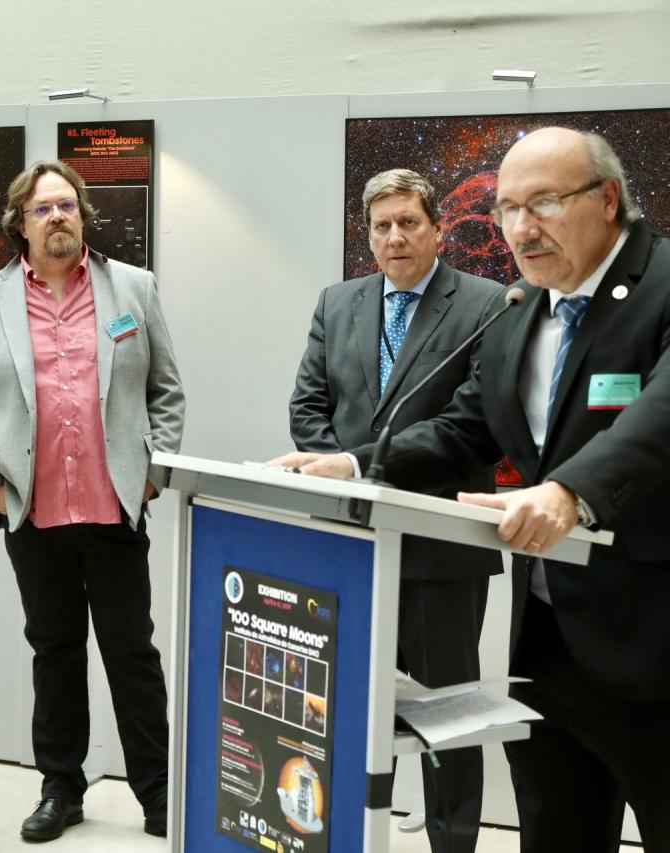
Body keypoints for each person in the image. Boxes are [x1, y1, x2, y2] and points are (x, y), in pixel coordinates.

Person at [272, 127, 670, 851]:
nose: (522, 227)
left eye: (543, 202)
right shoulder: (525, 312)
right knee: (557, 829)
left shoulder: (663, 286)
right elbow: (465, 431)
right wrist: (358, 464)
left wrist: (569, 493)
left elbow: (660, 415)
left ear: (608, 200)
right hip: (551, 640)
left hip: (655, 634)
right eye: (507, 209)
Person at [0, 160, 184, 842]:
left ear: (83, 215)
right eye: (43, 209)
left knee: (132, 652)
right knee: (55, 650)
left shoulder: (131, 287)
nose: (59, 218)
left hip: (115, 509)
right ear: (20, 223)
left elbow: (166, 389)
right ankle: (61, 788)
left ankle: (160, 794)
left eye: (68, 206)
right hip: (32, 512)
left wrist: (151, 473)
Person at [288, 168, 502, 853]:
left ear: (438, 227)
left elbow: (475, 420)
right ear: (368, 235)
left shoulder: (486, 304)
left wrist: (359, 467)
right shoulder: (337, 301)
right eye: (381, 225)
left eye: (409, 222)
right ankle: (343, 830)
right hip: (349, 544)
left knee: (447, 716)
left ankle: (453, 839)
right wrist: (346, 480)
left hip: (441, 547)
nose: (395, 236)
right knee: (342, 705)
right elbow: (307, 408)